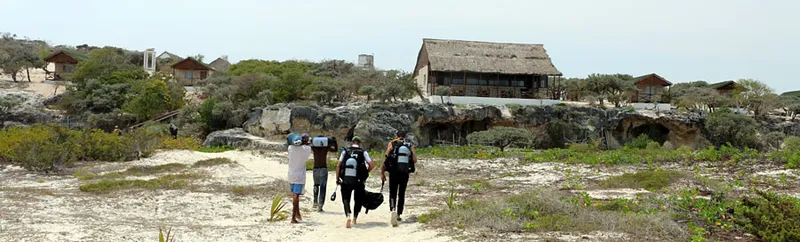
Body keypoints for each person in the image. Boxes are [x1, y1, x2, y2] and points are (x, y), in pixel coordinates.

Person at [336, 136, 373, 228]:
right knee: (358, 199)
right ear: (359, 143)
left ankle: (348, 215)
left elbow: (338, 165)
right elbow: (371, 165)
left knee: (346, 198)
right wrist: (365, 173)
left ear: (352, 143)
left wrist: (338, 178)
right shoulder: (363, 152)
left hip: (346, 179)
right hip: (359, 180)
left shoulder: (345, 151)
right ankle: (355, 217)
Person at [381, 131, 417, 227]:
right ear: (405, 136)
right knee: (401, 193)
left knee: (393, 192)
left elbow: (387, 156)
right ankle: (399, 214)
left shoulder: (392, 143)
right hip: (405, 172)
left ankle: (393, 209)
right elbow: (414, 160)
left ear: (397, 136)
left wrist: (383, 172)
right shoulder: (409, 144)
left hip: (393, 172)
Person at [287, 133, 312, 224]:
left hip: (291, 174)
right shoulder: (307, 149)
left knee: (294, 195)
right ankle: (293, 217)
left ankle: (298, 213)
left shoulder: (290, 148)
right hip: (299, 176)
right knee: (296, 197)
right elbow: (307, 146)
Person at [310, 136, 338, 212]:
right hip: (323, 168)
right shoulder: (325, 148)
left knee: (316, 185)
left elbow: (308, 144)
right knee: (323, 187)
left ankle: (315, 202)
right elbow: (335, 150)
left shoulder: (314, 148)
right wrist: (335, 142)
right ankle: (320, 206)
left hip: (315, 168)